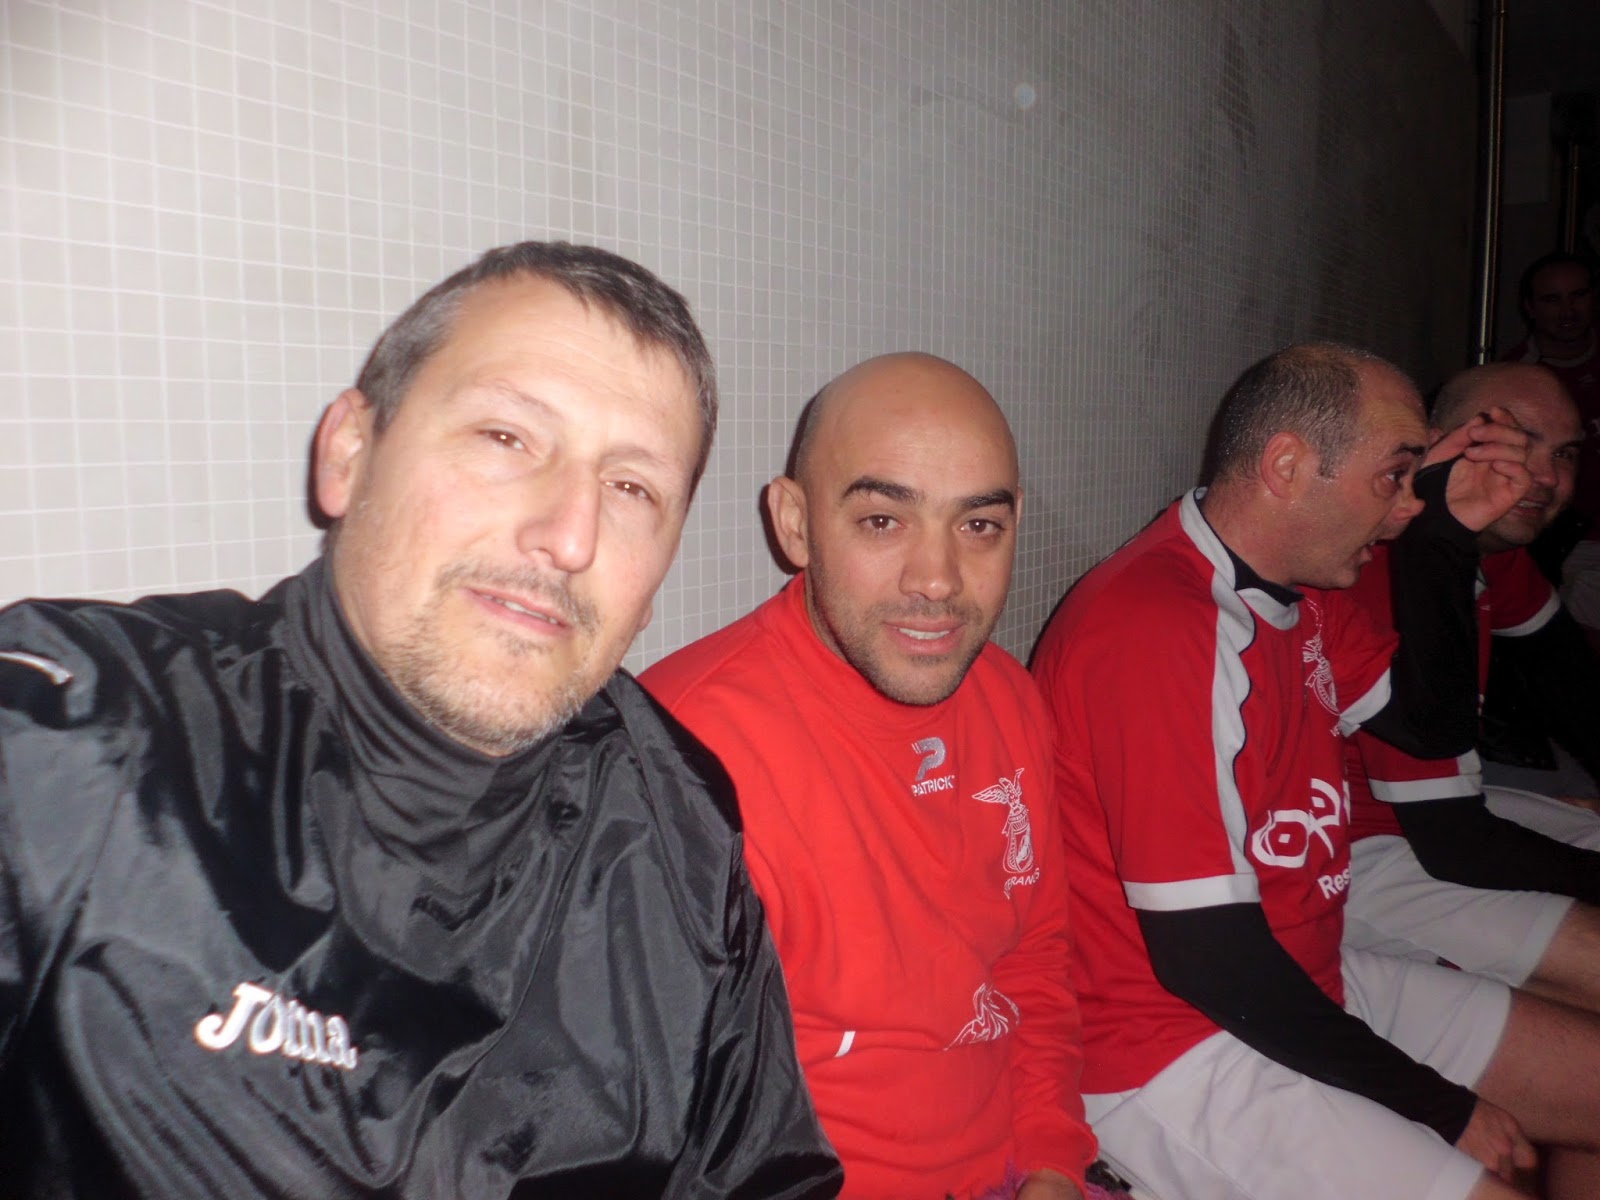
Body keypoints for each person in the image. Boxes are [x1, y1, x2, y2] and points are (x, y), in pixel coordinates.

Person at [0, 242, 842, 1199]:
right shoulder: (71, 744)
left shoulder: (674, 825)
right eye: (506, 438)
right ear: (348, 455)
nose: (571, 536)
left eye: (632, 489)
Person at [1032, 343, 1600, 1200]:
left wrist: (1446, 538)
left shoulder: (1303, 594)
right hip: (1173, 1042)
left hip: (1305, 973)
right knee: (1498, 1172)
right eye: (1396, 477)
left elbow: (1431, 728)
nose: (1407, 507)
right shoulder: (1158, 629)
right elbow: (1207, 961)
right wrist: (1438, 1106)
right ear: (1288, 467)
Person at [643, 353, 1095, 1200]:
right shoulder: (684, 756)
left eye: (979, 525)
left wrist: (1053, 1162)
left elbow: (1034, 961)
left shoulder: (1010, 698)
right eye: (883, 521)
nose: (938, 580)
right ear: (796, 524)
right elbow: (661, 1120)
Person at [1343, 362, 1600, 1016]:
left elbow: (1577, 693)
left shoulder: (1489, 543)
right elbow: (1455, 844)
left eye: (1564, 453)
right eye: (1513, 442)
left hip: (1442, 811)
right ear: (1435, 447)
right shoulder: (1376, 569)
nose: (1545, 477)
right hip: (1351, 851)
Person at [1501, 252, 1600, 635]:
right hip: (1556, 542)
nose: (1568, 311)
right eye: (1552, 299)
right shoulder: (1514, 378)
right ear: (1530, 308)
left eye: (1578, 295)